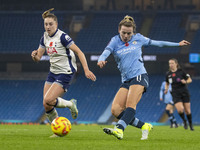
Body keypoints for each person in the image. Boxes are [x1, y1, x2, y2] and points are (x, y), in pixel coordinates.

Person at [97, 15, 190, 140]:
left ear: (133, 32)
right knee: (116, 110)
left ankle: (119, 129)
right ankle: (144, 126)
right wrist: (101, 59)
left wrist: (177, 44)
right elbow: (106, 52)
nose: (125, 36)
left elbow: (159, 44)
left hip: (140, 76)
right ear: (119, 30)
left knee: (130, 105)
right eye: (123, 33)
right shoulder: (114, 40)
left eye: (129, 33)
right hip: (126, 80)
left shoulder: (139, 38)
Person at [31, 8, 96, 136]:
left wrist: (86, 69)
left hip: (65, 71)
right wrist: (34, 56)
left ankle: (70, 104)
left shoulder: (63, 37)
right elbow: (38, 57)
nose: (48, 27)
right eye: (46, 24)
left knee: (49, 99)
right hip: (53, 72)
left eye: (51, 24)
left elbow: (79, 52)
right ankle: (57, 131)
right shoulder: (44, 37)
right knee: (46, 104)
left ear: (56, 24)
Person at [165, 58, 193, 130]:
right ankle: (184, 121)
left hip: (184, 92)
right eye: (170, 63)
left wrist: (186, 81)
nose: (171, 65)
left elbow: (190, 79)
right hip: (175, 93)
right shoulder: (168, 74)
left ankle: (190, 124)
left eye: (172, 63)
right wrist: (166, 89)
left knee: (187, 111)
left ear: (176, 64)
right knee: (180, 109)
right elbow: (167, 83)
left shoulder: (181, 72)